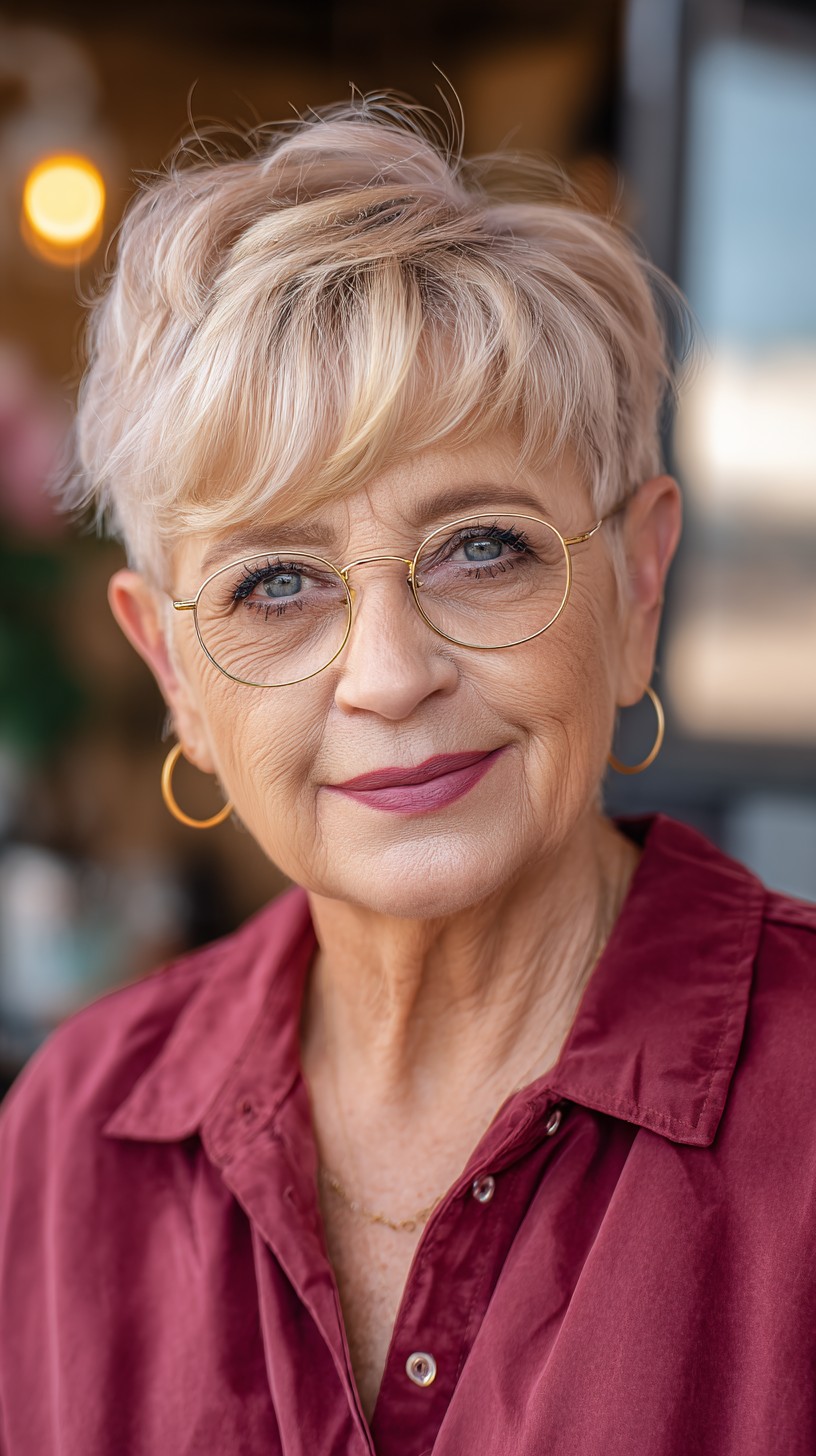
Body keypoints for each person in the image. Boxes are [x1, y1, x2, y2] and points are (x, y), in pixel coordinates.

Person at [1, 97, 814, 1456]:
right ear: (174, 675)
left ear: (638, 582)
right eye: (274, 583)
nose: (387, 674)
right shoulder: (68, 1141)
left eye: (481, 548)